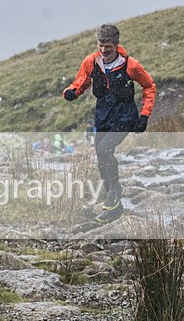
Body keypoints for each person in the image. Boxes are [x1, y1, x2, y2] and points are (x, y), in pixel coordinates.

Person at [63, 24, 155, 223]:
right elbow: (81, 82)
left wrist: (144, 116)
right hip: (103, 116)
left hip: (125, 116)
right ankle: (114, 206)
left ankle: (115, 190)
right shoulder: (91, 61)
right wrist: (72, 92)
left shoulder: (131, 65)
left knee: (104, 150)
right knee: (101, 158)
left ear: (117, 44)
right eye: (101, 45)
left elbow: (149, 86)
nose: (104, 50)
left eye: (108, 46)